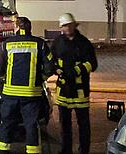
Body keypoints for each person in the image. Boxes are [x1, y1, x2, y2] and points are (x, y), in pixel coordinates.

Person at [0, 16, 54, 154]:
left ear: (16, 28)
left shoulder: (7, 44)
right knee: (31, 125)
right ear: (29, 28)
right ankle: (33, 151)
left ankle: (2, 151)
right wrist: (41, 79)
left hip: (10, 95)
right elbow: (50, 67)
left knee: (7, 124)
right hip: (31, 95)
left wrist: (4, 81)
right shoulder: (40, 43)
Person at [51, 13, 97, 154]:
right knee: (64, 125)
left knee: (83, 125)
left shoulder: (84, 43)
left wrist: (76, 70)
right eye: (65, 25)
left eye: (69, 25)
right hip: (63, 91)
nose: (67, 28)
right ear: (61, 27)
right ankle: (66, 150)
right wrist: (56, 70)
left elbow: (93, 64)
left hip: (80, 91)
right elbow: (51, 61)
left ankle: (84, 151)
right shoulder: (57, 42)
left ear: (74, 25)